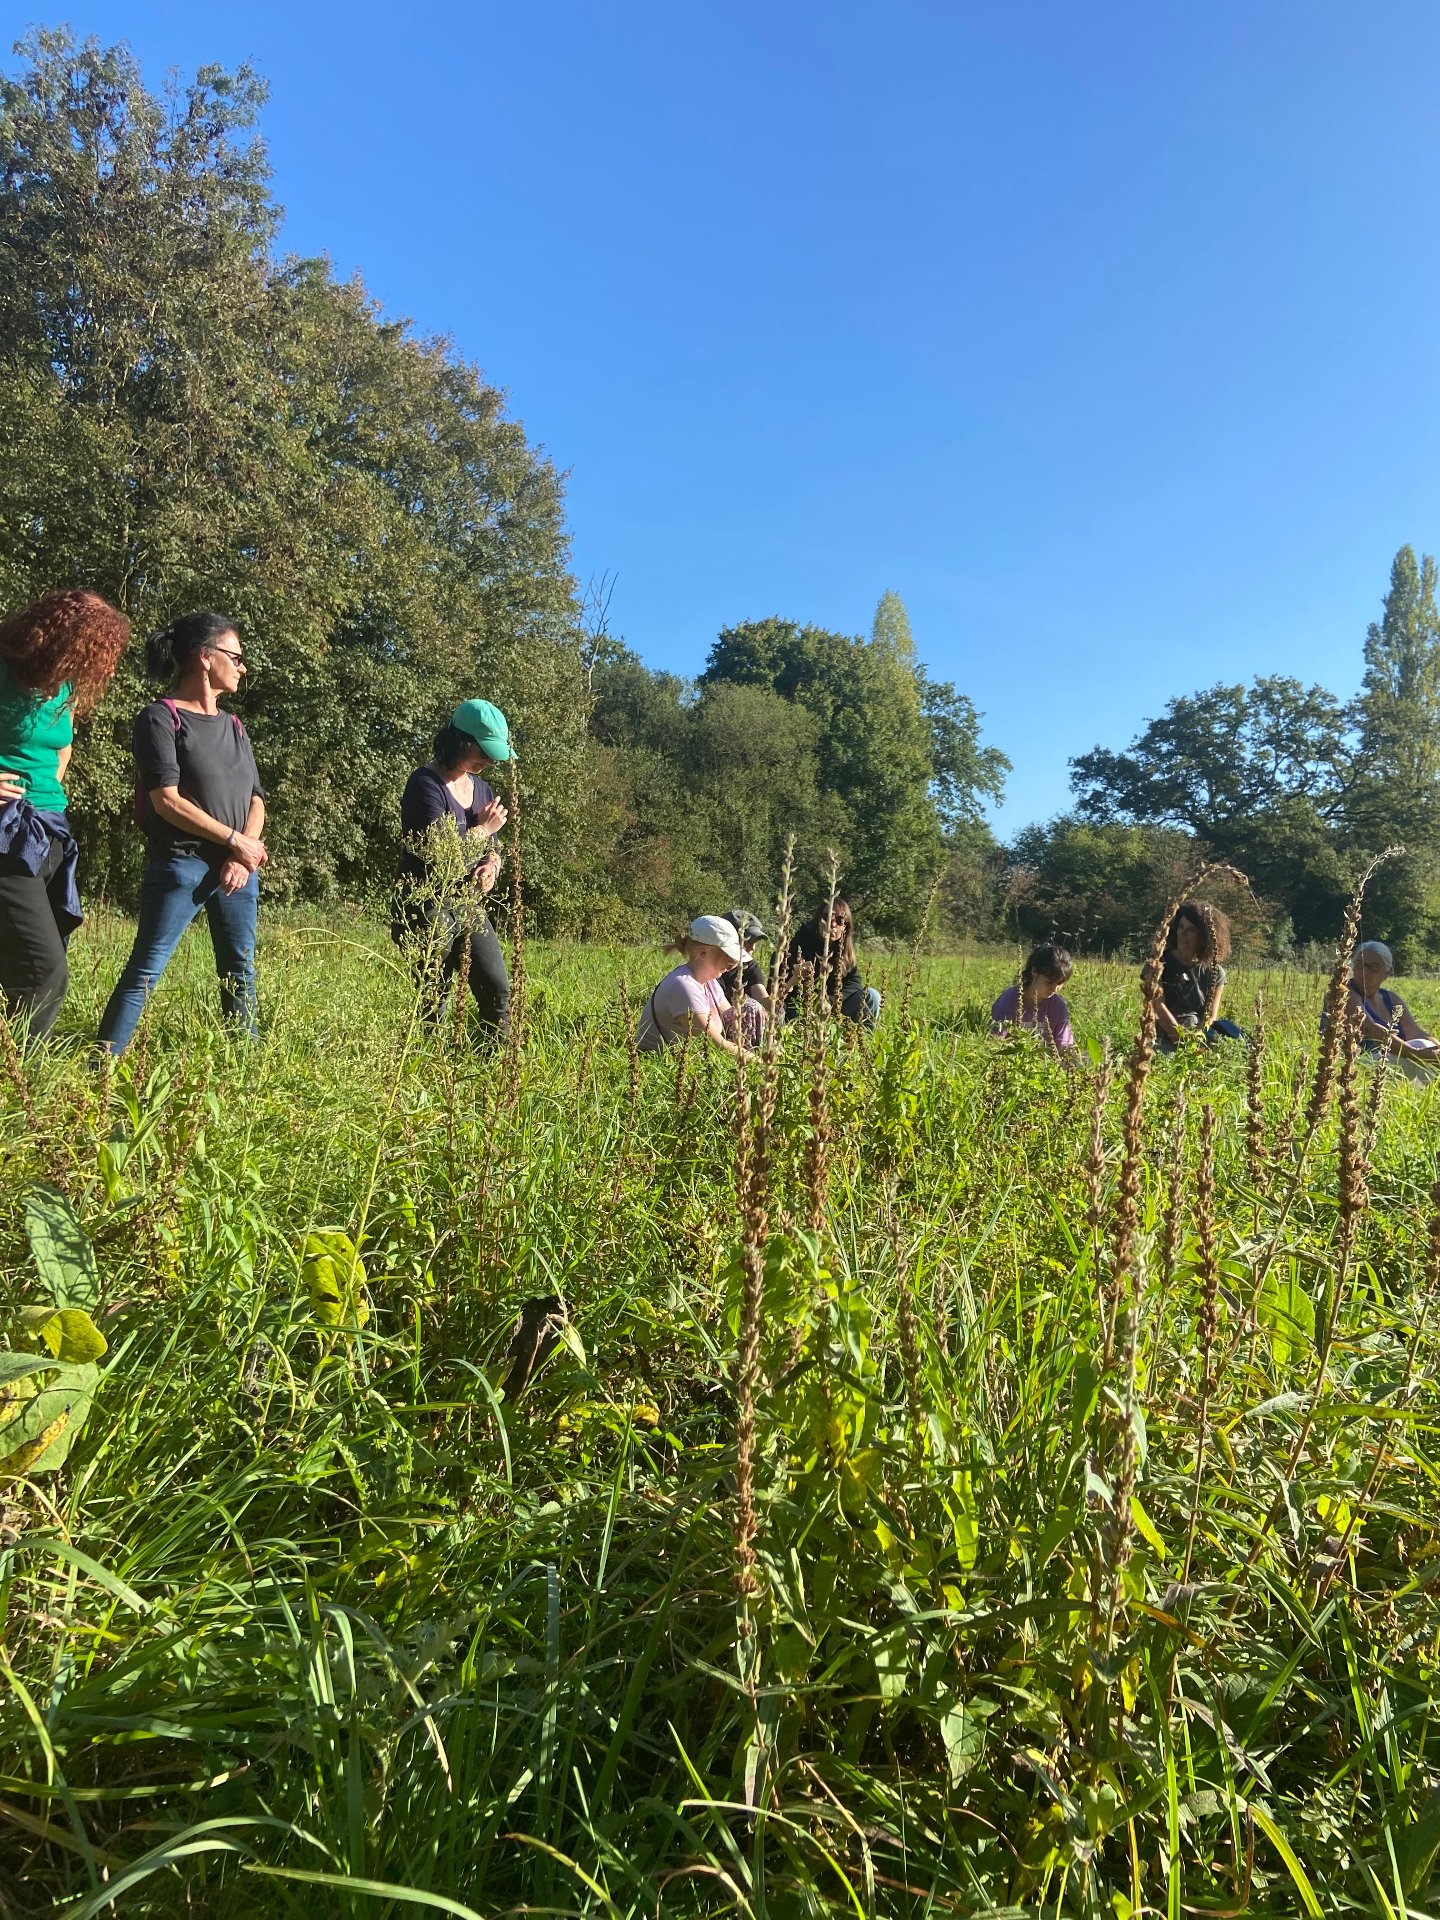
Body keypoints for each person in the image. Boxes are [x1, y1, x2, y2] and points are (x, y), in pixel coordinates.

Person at [97, 612, 267, 1055]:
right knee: (147, 969)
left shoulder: (234, 726)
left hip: (237, 871)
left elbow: (256, 799)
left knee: (240, 970)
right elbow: (166, 800)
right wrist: (235, 841)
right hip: (181, 863)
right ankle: (101, 1070)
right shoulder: (160, 717)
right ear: (205, 658)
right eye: (236, 656)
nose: (242, 666)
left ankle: (244, 1069)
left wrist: (241, 852)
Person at [0, 590, 130, 1040]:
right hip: (5, 835)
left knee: (21, 958)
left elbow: (64, 744)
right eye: (95, 652)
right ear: (59, 639)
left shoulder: (65, 687)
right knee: (43, 970)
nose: (104, 667)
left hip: (50, 828)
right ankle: (22, 1082)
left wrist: (45, 792)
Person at [392, 698, 512, 1040]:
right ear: (460, 741)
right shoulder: (424, 785)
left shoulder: (482, 788)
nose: (489, 760)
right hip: (425, 904)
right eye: (483, 751)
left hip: (466, 904)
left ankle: (493, 1071)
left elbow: (494, 849)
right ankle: (426, 1069)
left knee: (498, 991)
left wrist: (491, 866)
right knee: (434, 999)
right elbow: (437, 854)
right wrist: (483, 830)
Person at [636, 915, 761, 1055]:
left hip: (688, 1060)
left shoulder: (710, 983)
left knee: (750, 1007)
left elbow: (732, 1020)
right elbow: (717, 1044)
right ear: (703, 953)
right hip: (662, 1064)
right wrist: (763, 1064)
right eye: (727, 954)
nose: (733, 961)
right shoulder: (683, 986)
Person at [1330, 939, 1440, 1082]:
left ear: (1387, 971)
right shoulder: (1345, 992)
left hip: (1395, 1061)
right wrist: (1413, 1053)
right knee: (1421, 1048)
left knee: (1425, 1044)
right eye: (1359, 965)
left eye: (1373, 967)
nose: (1364, 972)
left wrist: (1436, 1048)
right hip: (1358, 1063)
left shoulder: (1391, 999)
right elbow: (1370, 1029)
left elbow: (1415, 1032)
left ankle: (1422, 1095)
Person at [780, 897, 881, 1029]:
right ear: (818, 920)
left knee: (872, 996)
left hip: (832, 1007)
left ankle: (864, 1042)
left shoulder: (845, 950)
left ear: (845, 926)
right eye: (826, 917)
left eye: (839, 920)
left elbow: (854, 983)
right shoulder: (801, 941)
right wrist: (796, 976)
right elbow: (778, 983)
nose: (833, 924)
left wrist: (831, 1001)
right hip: (801, 1007)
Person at [1155, 900, 1241, 1050]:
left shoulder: (1216, 972)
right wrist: (1182, 1040)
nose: (1183, 934)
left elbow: (1210, 1015)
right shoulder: (1158, 964)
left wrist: (1195, 1040)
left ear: (1204, 936)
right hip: (1164, 1034)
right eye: (1181, 927)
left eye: (1191, 930)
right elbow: (1158, 1006)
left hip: (1199, 1036)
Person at [991, 942, 1077, 1056]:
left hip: (1049, 1066)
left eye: (1059, 983)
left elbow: (1064, 1047)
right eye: (1049, 982)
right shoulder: (1009, 1000)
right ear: (1034, 972)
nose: (1055, 989)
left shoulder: (1058, 1006)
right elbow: (994, 1043)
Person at [720, 909, 770, 1013]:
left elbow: (764, 1003)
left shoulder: (750, 966)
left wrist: (791, 982)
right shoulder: (709, 969)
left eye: (755, 942)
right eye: (748, 941)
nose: (753, 948)